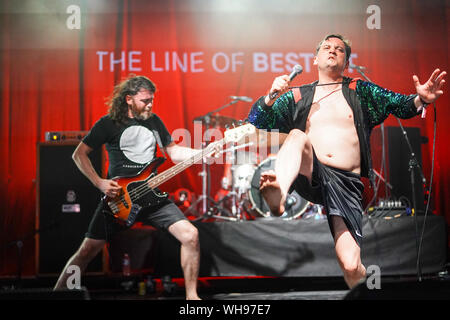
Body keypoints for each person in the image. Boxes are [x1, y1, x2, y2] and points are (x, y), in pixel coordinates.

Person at [247, 34, 446, 288]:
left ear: (347, 62)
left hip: (346, 183)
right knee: (297, 136)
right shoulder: (297, 95)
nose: (332, 51)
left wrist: (421, 99)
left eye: (339, 49)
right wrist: (270, 96)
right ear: (315, 58)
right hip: (313, 173)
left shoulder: (359, 90)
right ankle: (280, 195)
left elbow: (400, 104)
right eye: (327, 48)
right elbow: (256, 120)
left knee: (351, 265)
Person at [54, 75, 214, 300]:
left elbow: (174, 152)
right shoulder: (108, 123)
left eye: (152, 100)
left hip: (151, 195)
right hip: (119, 199)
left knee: (191, 235)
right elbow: (79, 154)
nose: (150, 105)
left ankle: (192, 298)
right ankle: (58, 293)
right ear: (129, 99)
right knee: (87, 251)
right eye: (145, 100)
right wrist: (99, 182)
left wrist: (203, 153)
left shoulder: (154, 121)